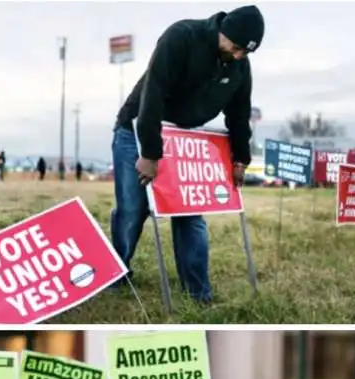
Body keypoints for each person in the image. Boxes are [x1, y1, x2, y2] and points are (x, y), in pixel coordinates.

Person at [110, 5, 263, 299]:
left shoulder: (239, 66)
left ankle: (198, 292)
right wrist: (151, 154)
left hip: (183, 138)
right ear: (224, 33)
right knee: (133, 208)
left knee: (190, 213)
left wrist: (240, 158)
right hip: (138, 128)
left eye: (246, 52)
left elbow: (239, 114)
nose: (239, 55)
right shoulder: (181, 37)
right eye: (236, 48)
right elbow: (152, 94)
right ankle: (118, 273)